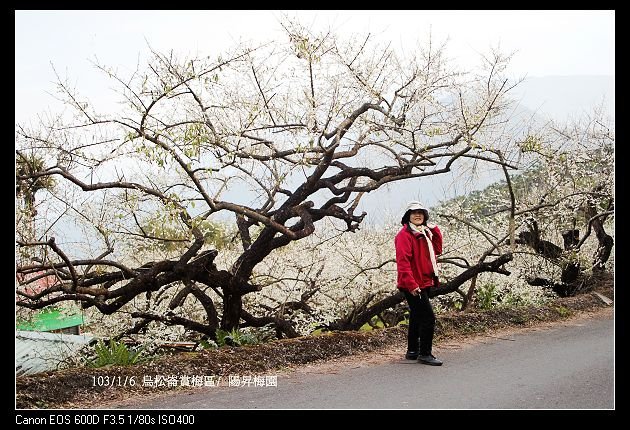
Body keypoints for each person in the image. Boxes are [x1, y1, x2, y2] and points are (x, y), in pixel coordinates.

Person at [394, 201, 443, 366]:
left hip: (424, 281)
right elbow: (403, 262)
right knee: (428, 317)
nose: (417, 215)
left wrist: (435, 230)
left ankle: (412, 351)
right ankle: (425, 353)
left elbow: (437, 250)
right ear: (408, 216)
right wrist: (412, 284)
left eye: (421, 212)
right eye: (414, 212)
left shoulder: (425, 233)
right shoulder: (405, 235)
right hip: (413, 284)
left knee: (416, 316)